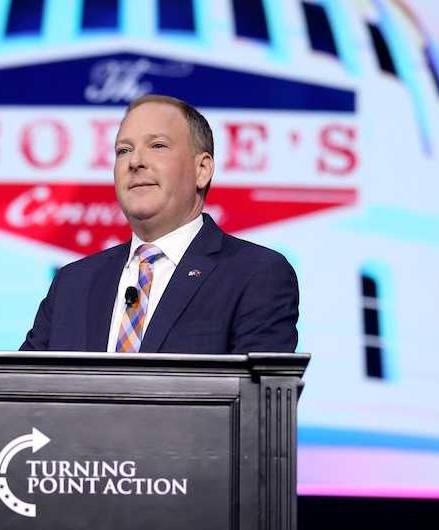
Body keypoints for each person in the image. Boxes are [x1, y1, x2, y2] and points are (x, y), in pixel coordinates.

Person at [19, 94, 298, 354]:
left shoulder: (256, 275)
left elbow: (260, 401)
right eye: (123, 150)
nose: (135, 161)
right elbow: (14, 392)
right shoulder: (72, 283)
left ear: (201, 170)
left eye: (158, 146)